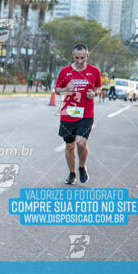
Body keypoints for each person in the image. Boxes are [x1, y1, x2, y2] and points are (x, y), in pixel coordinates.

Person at [55, 44, 101, 185]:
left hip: (86, 114)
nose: (79, 61)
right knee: (69, 146)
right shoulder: (65, 71)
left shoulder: (94, 71)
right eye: (76, 58)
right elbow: (57, 90)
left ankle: (81, 166)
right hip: (68, 114)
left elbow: (98, 87)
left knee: (81, 142)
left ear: (87, 55)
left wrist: (95, 93)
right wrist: (65, 90)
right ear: (72, 55)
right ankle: (72, 173)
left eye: (82, 58)